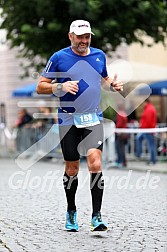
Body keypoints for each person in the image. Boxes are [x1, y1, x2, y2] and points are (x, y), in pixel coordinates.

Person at [36, 20, 123, 232]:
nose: (84, 41)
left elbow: (103, 78)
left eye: (87, 37)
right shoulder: (59, 57)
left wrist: (112, 85)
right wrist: (60, 85)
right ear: (70, 36)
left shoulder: (99, 55)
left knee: (95, 164)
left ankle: (97, 216)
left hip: (93, 118)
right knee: (72, 168)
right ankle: (71, 210)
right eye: (80, 36)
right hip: (68, 120)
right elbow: (40, 86)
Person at [136, 98, 157, 165]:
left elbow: (147, 121)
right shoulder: (149, 108)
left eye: (143, 103)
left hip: (147, 130)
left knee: (151, 145)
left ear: (146, 102)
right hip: (146, 129)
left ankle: (152, 160)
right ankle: (140, 154)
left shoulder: (149, 109)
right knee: (139, 139)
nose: (142, 105)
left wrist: (142, 127)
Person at [115, 102, 128, 168]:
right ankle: (124, 161)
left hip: (120, 133)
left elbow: (119, 124)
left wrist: (115, 128)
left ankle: (121, 161)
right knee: (122, 148)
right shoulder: (124, 113)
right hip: (124, 132)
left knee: (119, 148)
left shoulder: (120, 114)